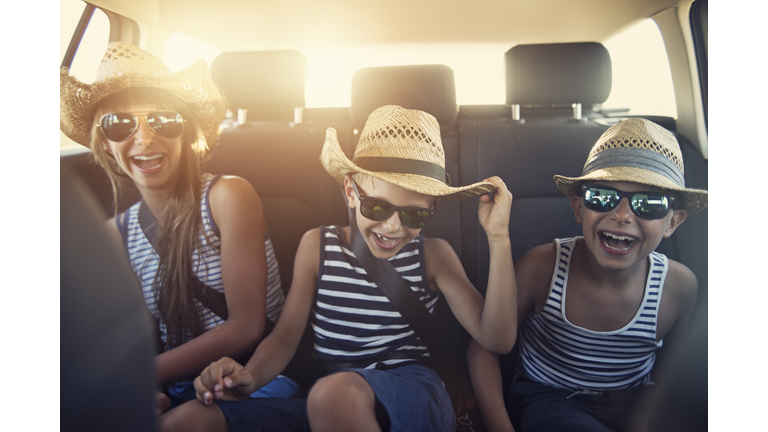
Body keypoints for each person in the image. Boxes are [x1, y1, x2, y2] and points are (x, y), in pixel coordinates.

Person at [158, 105, 517, 432]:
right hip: (323, 395)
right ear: (350, 191)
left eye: (415, 214)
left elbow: (496, 339)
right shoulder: (317, 245)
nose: (393, 227)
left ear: (432, 210)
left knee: (334, 396)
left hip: (412, 391)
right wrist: (251, 376)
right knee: (187, 420)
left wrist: (498, 237)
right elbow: (285, 338)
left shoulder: (435, 255)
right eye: (377, 208)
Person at [60, 42, 296, 415]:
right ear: (104, 142)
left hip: (252, 378)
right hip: (179, 387)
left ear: (187, 133)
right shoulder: (114, 235)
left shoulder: (227, 196)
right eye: (120, 123)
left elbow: (246, 327)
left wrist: (136, 377)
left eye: (163, 121)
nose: (144, 138)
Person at [467, 118, 708, 432]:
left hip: (636, 398)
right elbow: (483, 347)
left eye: (648, 203)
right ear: (579, 208)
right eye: (602, 198)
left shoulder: (678, 287)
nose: (621, 215)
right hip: (551, 398)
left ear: (672, 223)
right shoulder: (543, 267)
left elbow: (675, 376)